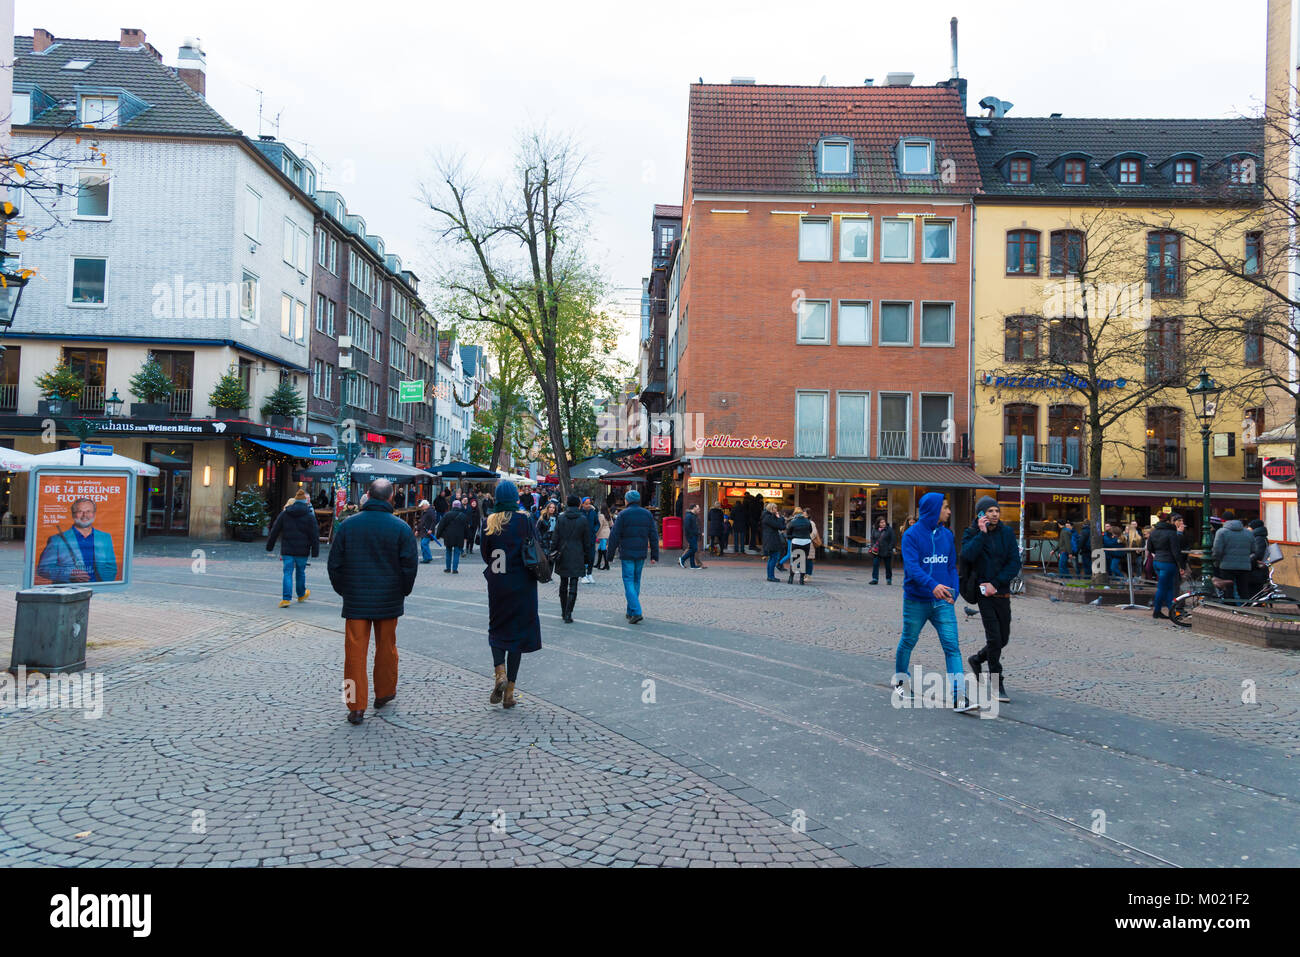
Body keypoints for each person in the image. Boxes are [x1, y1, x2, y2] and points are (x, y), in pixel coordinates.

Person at [327, 479, 419, 725]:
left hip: (356, 599)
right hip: (388, 598)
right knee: (387, 648)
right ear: (391, 498)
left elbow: (334, 563)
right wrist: (403, 591)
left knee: (354, 654)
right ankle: (385, 692)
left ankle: (354, 705)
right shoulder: (401, 528)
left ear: (367, 495)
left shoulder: (348, 525)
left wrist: (344, 590)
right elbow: (409, 565)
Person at [894, 494, 974, 712]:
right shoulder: (911, 535)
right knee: (908, 641)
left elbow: (950, 567)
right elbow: (912, 568)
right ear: (934, 509)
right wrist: (932, 585)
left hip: (943, 602)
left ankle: (960, 697)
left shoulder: (947, 535)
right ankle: (900, 682)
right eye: (945, 507)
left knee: (952, 647)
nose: (949, 512)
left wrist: (954, 592)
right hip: (916, 600)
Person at [481, 481, 541, 709]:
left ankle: (499, 674)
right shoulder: (524, 520)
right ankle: (510, 694)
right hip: (523, 584)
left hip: (498, 584)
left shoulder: (489, 521)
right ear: (516, 497)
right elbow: (536, 546)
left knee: (497, 629)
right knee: (518, 634)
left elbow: (486, 554)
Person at [961, 496, 1021, 704]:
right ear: (981, 514)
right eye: (990, 511)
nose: (994, 514)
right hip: (982, 594)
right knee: (994, 639)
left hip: (1001, 591)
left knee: (1003, 639)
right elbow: (967, 556)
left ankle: (977, 659)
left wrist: (996, 582)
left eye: (996, 511)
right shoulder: (971, 533)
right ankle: (997, 684)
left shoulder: (1006, 533)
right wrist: (982, 534)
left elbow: (1015, 562)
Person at [36, 498, 119, 584]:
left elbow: (111, 567)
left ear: (94, 514)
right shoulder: (57, 539)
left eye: (88, 511)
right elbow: (43, 569)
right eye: (80, 511)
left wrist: (102, 586)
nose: (84, 515)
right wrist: (69, 574)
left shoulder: (105, 537)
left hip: (98, 590)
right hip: (69, 591)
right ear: (73, 514)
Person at [607, 488, 659, 623]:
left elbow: (614, 535)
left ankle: (636, 611)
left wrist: (610, 555)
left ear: (627, 500)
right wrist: (654, 554)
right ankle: (630, 610)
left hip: (627, 553)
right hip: (641, 552)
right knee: (636, 581)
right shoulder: (647, 514)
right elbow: (653, 535)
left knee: (628, 580)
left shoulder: (623, 515)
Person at [266, 489, 320, 606]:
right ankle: (301, 595)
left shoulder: (285, 514)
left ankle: (286, 599)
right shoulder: (309, 516)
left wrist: (270, 546)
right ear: (305, 502)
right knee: (300, 572)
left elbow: (275, 530)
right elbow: (314, 535)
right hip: (303, 550)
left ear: (295, 501)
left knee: (287, 573)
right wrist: (315, 551)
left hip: (287, 549)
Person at [553, 495, 595, 623]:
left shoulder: (560, 518)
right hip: (577, 554)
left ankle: (563, 610)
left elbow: (556, 537)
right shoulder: (583, 520)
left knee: (563, 582)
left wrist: (553, 551)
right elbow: (587, 541)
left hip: (563, 553)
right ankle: (568, 613)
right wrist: (588, 558)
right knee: (574, 583)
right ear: (579, 505)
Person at [1213, 509, 1255, 605]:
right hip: (1244, 567)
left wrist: (1216, 562)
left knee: (1228, 591)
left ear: (1223, 521)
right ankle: (1248, 612)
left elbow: (1217, 550)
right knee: (1244, 591)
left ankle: (1230, 614)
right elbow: (1254, 550)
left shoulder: (1221, 532)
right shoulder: (1248, 533)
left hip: (1226, 566)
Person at [1146, 512, 1181, 619]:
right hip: (1168, 562)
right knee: (1164, 588)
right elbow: (1176, 551)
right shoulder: (1171, 533)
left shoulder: (1154, 532)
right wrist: (1181, 565)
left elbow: (1150, 547)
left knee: (1166, 587)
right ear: (1168, 521)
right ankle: (1159, 611)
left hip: (1157, 562)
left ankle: (1170, 611)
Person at [436, 500, 471, 573]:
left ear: (452, 506)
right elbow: (466, 528)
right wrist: (467, 537)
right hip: (459, 537)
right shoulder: (463, 516)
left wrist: (438, 535)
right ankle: (455, 569)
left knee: (448, 552)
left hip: (449, 537)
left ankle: (448, 568)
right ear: (460, 506)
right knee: (457, 553)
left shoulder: (447, 515)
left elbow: (441, 526)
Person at [786, 506, 813, 585]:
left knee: (794, 560)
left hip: (796, 542)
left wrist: (793, 536)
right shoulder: (808, 521)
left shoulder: (793, 522)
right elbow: (810, 531)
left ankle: (791, 579)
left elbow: (788, 534)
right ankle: (801, 580)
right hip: (806, 542)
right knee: (803, 560)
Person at [761, 502, 786, 582]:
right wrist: (780, 518)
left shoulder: (767, 516)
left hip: (770, 539)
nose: (776, 510)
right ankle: (771, 576)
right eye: (775, 508)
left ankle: (770, 576)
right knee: (774, 558)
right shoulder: (768, 517)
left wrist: (778, 518)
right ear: (771, 509)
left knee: (772, 558)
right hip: (772, 540)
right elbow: (781, 526)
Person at [869, 516, 895, 585]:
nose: (883, 523)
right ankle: (875, 579)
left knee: (888, 566)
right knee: (875, 564)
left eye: (884, 522)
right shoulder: (875, 529)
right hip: (877, 551)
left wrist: (890, 548)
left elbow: (893, 540)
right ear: (878, 523)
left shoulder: (889, 530)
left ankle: (888, 579)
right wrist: (872, 546)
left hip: (887, 551)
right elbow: (872, 539)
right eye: (881, 522)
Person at [580, 497, 600, 583]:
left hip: (591, 538)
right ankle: (583, 575)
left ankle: (589, 574)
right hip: (582, 539)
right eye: (586, 503)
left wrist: (594, 530)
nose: (588, 505)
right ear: (582, 504)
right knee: (583, 557)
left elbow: (597, 524)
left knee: (591, 557)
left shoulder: (593, 512)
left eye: (589, 503)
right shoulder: (580, 513)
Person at [680, 503, 704, 569]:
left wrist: (699, 533)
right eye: (697, 508)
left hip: (694, 535)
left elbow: (695, 526)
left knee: (692, 549)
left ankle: (692, 565)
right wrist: (691, 535)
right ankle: (682, 559)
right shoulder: (689, 516)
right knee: (694, 549)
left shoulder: (694, 515)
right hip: (691, 536)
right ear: (693, 508)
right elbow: (687, 527)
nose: (699, 509)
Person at [416, 499, 438, 563]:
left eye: (422, 506)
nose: (421, 508)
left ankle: (428, 557)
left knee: (424, 543)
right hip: (424, 530)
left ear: (426, 505)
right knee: (423, 544)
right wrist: (417, 530)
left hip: (428, 531)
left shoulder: (430, 511)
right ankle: (426, 558)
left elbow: (434, 521)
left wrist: (431, 529)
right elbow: (422, 522)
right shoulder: (425, 511)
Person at [595, 505, 613, 570]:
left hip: (602, 533)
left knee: (603, 550)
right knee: (600, 549)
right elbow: (611, 524)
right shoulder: (608, 515)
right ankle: (598, 564)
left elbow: (599, 526)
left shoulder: (601, 516)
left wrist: (596, 534)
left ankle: (606, 565)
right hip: (607, 532)